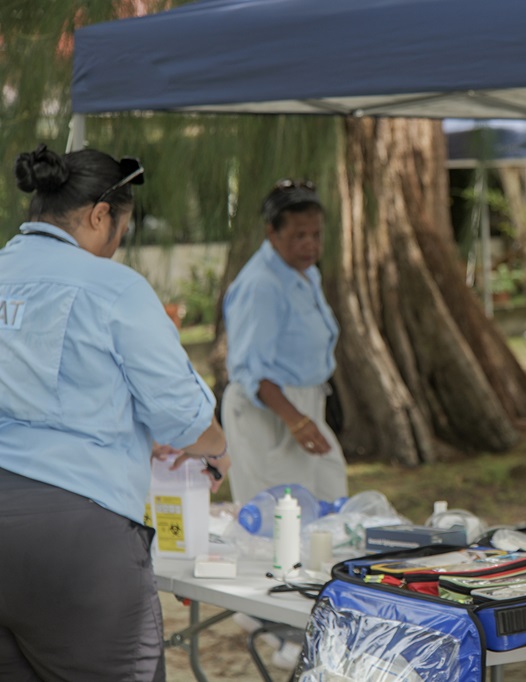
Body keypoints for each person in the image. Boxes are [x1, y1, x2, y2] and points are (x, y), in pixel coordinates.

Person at [0, 144, 230, 681]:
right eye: (121, 231)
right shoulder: (113, 287)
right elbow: (183, 416)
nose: (116, 246)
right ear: (100, 215)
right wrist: (217, 449)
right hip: (77, 534)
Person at [222, 179, 347, 507]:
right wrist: (296, 420)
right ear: (272, 233)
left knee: (331, 504)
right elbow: (252, 371)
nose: (310, 245)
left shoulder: (306, 273)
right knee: (280, 518)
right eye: (299, 236)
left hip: (305, 406)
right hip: (269, 411)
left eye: (316, 235)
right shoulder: (262, 285)